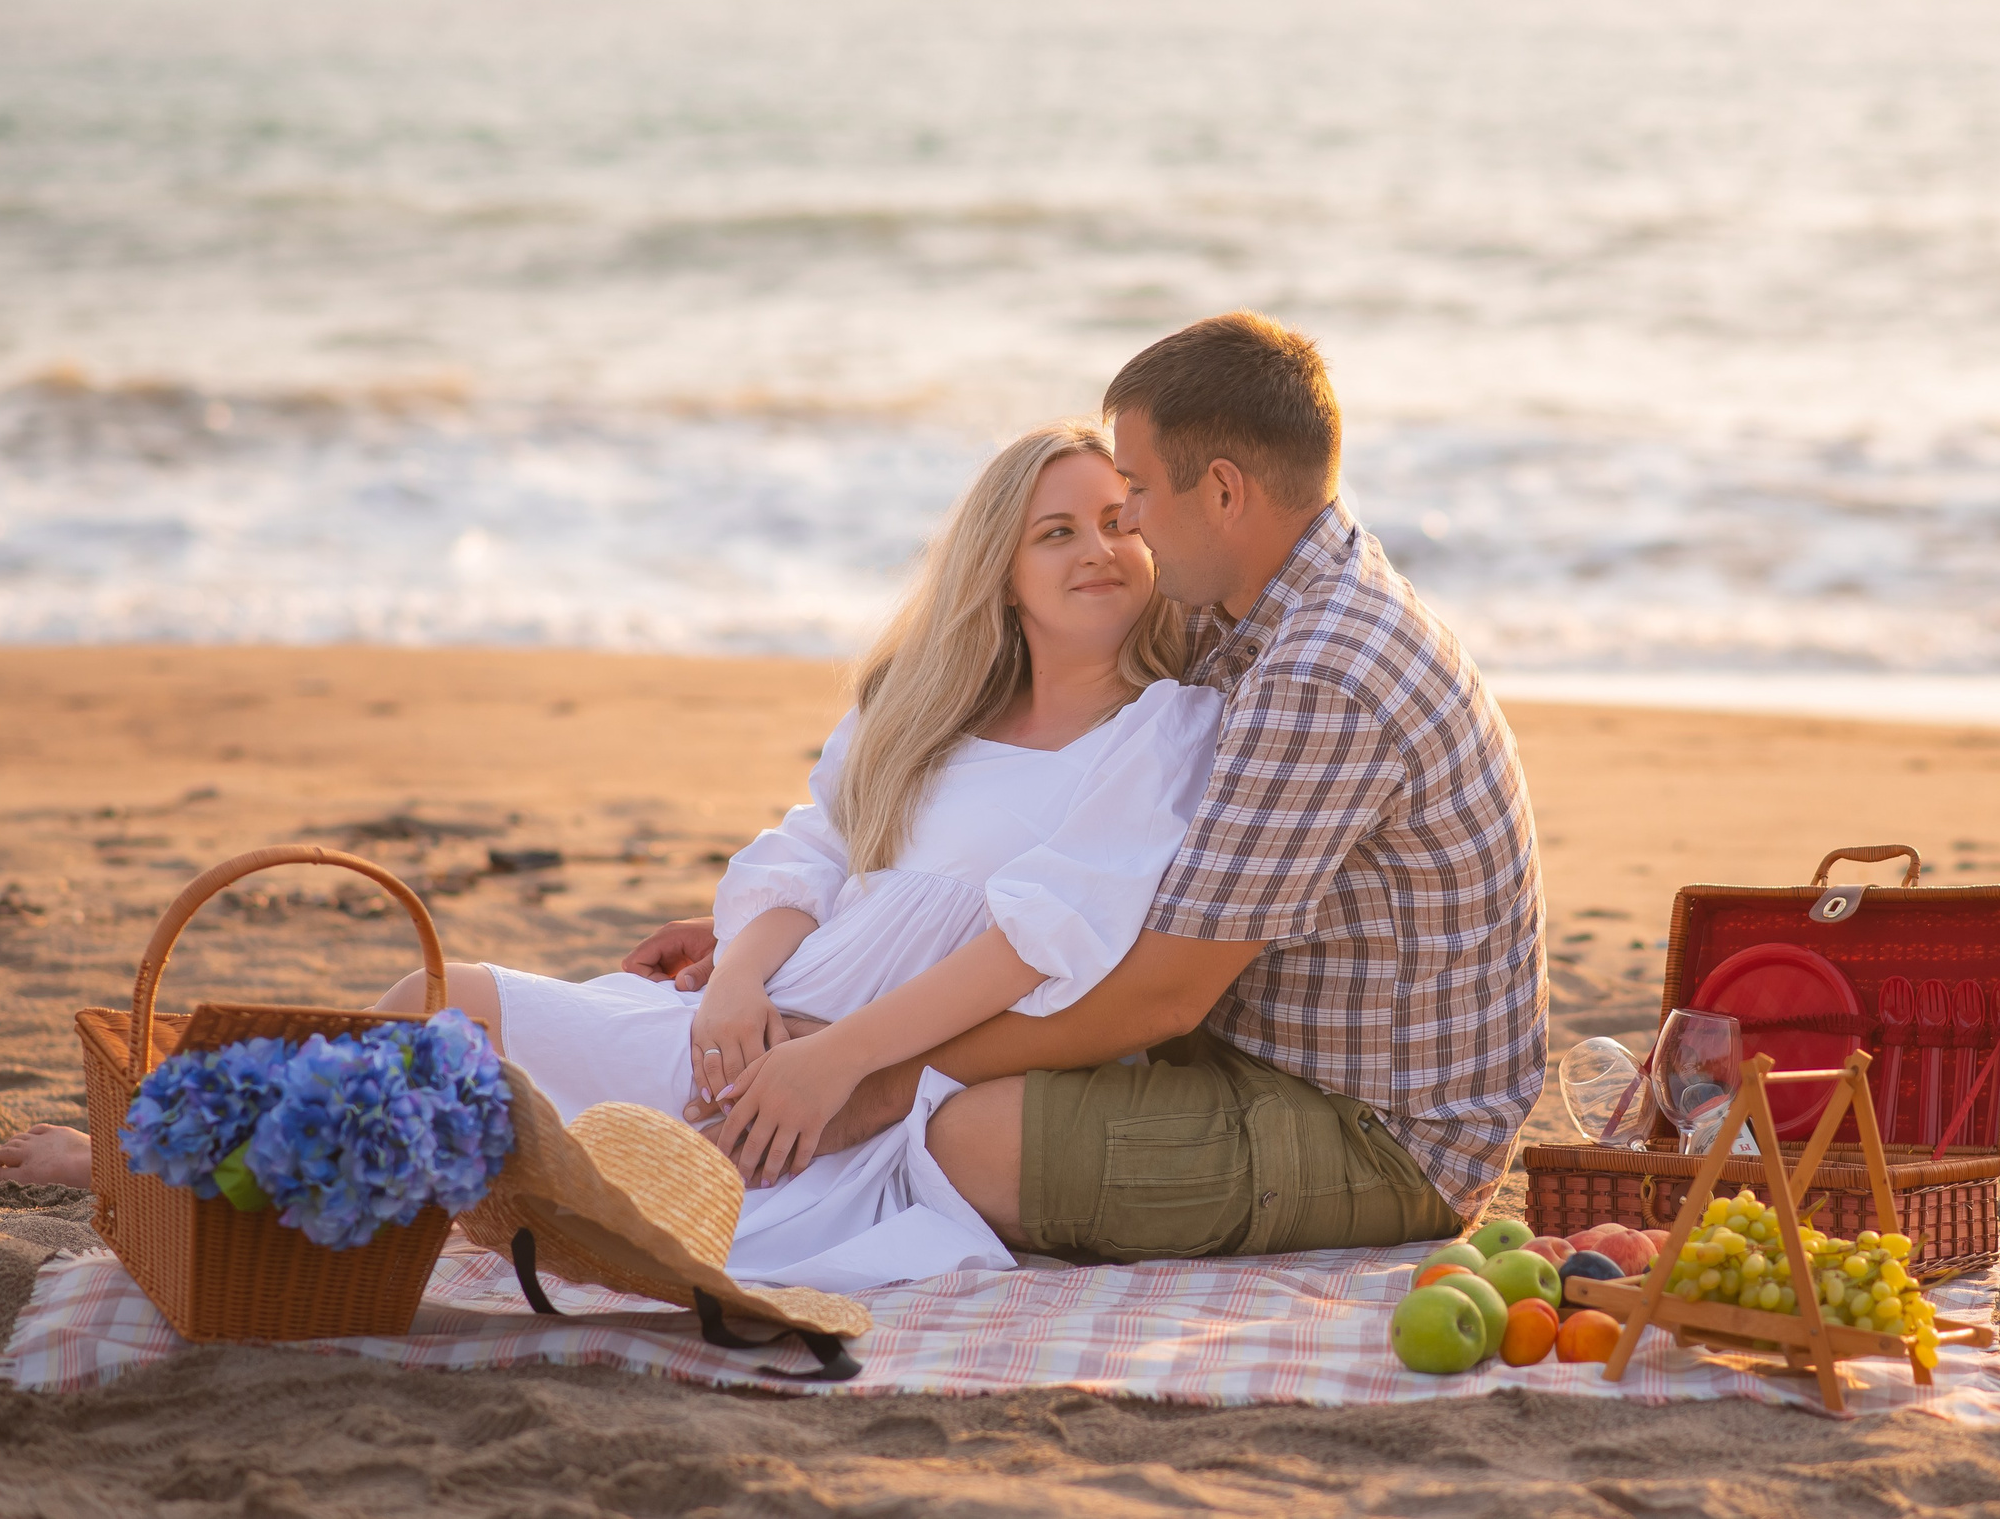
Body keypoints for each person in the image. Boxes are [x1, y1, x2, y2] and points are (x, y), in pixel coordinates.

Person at [0, 419, 1226, 1293]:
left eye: (1120, 520)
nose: (1096, 549)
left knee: (584, 1185)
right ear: (1002, 571)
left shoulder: (1163, 726)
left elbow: (1038, 940)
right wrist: (738, 983)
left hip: (884, 1076)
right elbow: (810, 857)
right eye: (1056, 529)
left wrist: (834, 1061)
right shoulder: (928, 706)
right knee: (440, 1004)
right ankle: (156, 1158)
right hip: (761, 1017)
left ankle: (190, 1175)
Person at [645, 311, 1548, 1260]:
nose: (1133, 529)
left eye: (1141, 495)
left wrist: (872, 1079)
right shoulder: (1244, 614)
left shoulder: (1319, 673)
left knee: (960, 1138)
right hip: (1237, 1059)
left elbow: (1157, 999)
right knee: (930, 1099)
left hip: (1377, 1131)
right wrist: (804, 934)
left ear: (1226, 492)